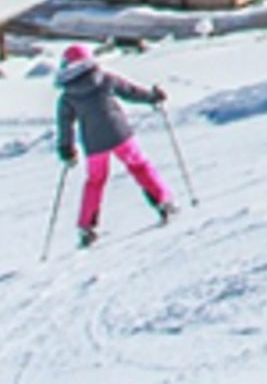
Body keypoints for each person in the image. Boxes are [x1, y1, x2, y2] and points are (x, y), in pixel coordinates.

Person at [53, 44, 175, 248]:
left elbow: (65, 125)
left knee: (95, 181)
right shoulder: (105, 79)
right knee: (139, 165)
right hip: (120, 134)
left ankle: (87, 227)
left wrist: (67, 148)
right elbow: (131, 92)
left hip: (94, 143)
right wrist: (153, 96)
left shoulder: (67, 97)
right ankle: (163, 202)